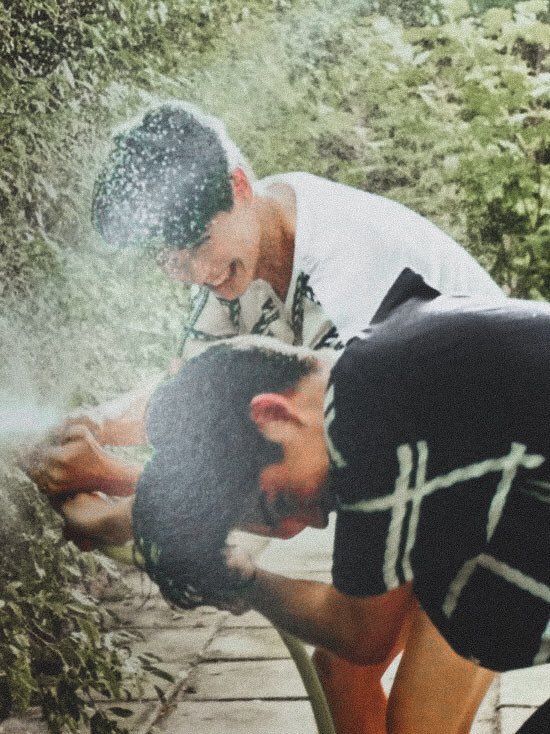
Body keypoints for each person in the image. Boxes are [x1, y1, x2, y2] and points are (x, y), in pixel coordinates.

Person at [29, 102, 505, 734]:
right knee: (342, 670)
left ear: (238, 186)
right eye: (172, 260)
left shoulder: (352, 274)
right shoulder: (249, 247)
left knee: (408, 707)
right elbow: (203, 396)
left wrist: (116, 494)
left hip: (498, 484)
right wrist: (90, 425)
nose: (197, 273)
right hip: (428, 474)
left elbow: (294, 491)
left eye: (200, 245)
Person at [63, 272, 550, 731]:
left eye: (276, 505)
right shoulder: (391, 369)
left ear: (273, 415)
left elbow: (361, 634)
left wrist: (240, 577)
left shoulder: (365, 406)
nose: (302, 528)